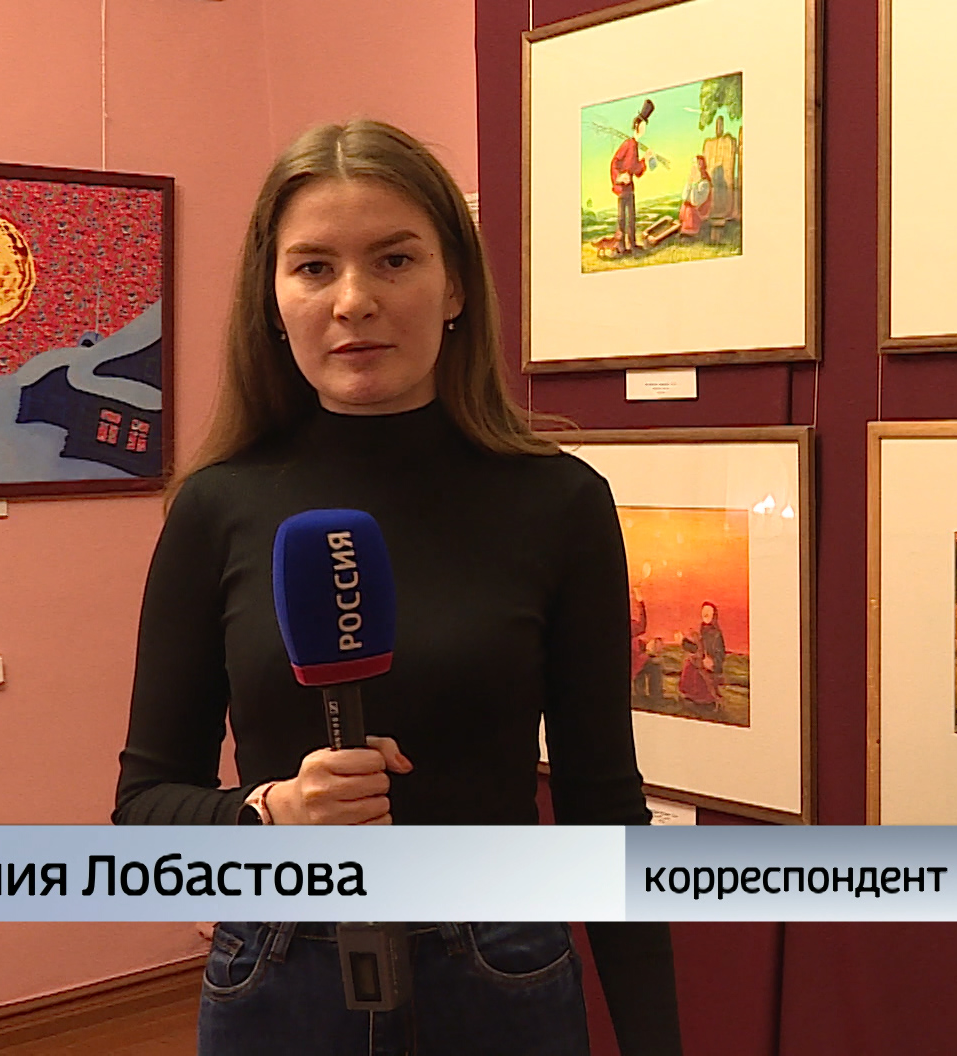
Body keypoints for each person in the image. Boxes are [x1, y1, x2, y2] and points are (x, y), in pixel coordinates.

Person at [113, 120, 681, 1055]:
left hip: (501, 968)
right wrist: (269, 813)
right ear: (273, 298)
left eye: (394, 260)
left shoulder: (559, 501)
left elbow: (603, 806)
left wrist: (655, 1040)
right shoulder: (216, 507)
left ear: (454, 285)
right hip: (281, 972)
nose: (354, 301)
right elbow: (144, 811)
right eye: (313, 267)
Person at [610, 100, 654, 255]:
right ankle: (621, 247)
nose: (644, 130)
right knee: (622, 219)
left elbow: (636, 170)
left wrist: (645, 159)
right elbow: (614, 162)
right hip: (622, 189)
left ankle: (632, 245)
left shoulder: (635, 145)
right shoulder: (628, 144)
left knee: (631, 218)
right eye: (642, 126)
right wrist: (620, 176)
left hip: (630, 189)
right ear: (637, 126)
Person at [677, 603, 727, 709]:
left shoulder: (716, 634)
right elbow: (697, 648)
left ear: (713, 615)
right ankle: (691, 697)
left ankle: (706, 701)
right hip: (701, 662)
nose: (706, 614)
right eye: (704, 612)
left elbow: (720, 654)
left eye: (709, 612)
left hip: (710, 666)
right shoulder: (702, 630)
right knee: (688, 665)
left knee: (699, 674)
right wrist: (683, 641)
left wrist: (713, 662)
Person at [678, 156, 713, 238]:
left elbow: (695, 202)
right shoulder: (694, 180)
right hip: (692, 209)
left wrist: (694, 185)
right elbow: (684, 197)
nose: (693, 167)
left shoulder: (704, 183)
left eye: (696, 164)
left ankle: (690, 232)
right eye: (693, 164)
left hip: (700, 210)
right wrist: (689, 183)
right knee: (685, 205)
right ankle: (684, 229)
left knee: (689, 209)